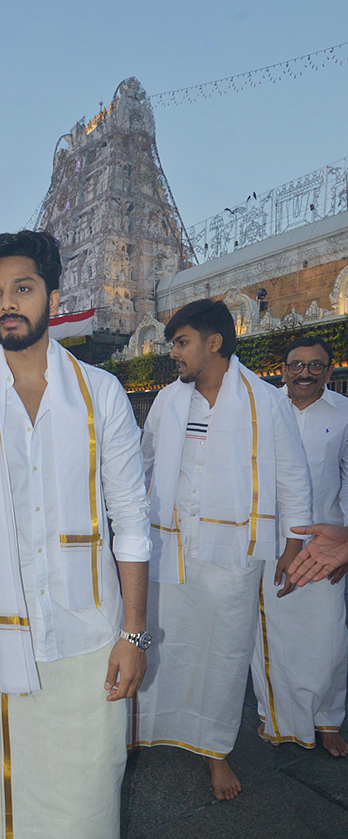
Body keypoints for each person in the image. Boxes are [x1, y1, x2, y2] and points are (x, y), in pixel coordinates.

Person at [0, 230, 151, 839]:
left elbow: (132, 523)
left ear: (53, 296)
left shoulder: (101, 394)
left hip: (89, 642)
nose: (7, 305)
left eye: (21, 288)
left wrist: (133, 634)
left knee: (83, 812)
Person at [134, 299, 312, 801]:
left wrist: (293, 544)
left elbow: (293, 475)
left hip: (232, 551)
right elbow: (144, 462)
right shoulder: (169, 400)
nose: (174, 353)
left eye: (181, 342)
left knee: (224, 653)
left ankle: (215, 750)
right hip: (167, 544)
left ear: (214, 343)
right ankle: (146, 728)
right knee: (160, 639)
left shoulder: (264, 399)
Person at [251, 338, 348, 757]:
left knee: (329, 641)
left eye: (315, 366)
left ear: (330, 371)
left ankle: (328, 719)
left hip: (328, 549)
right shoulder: (263, 409)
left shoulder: (344, 414)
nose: (304, 373)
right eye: (296, 365)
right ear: (283, 369)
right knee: (273, 638)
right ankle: (274, 717)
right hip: (274, 546)